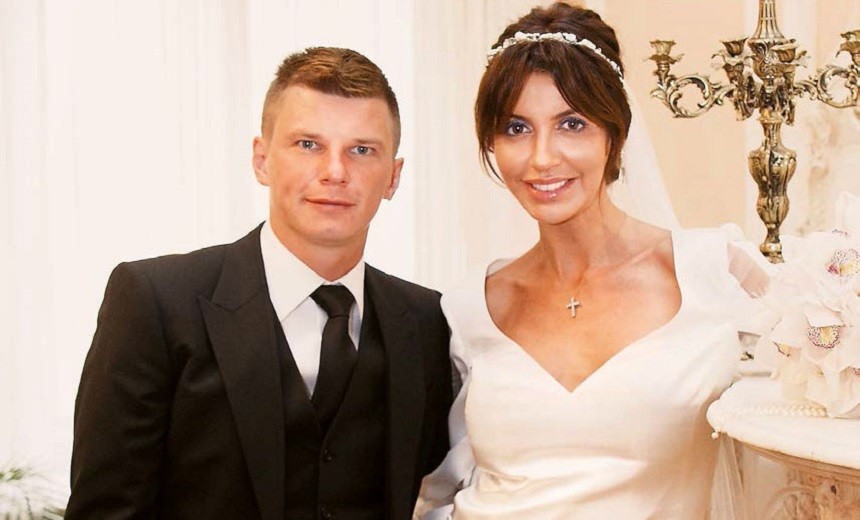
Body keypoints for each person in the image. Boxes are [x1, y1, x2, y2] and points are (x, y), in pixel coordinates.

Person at [66, 47, 452, 520]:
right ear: (262, 160)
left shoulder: (427, 321)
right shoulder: (156, 301)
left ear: (393, 176)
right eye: (307, 144)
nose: (335, 172)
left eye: (362, 150)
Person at [415, 4, 765, 519]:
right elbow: (438, 484)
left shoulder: (717, 271)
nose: (541, 157)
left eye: (571, 124)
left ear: (614, 134)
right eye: (516, 128)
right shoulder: (470, 307)